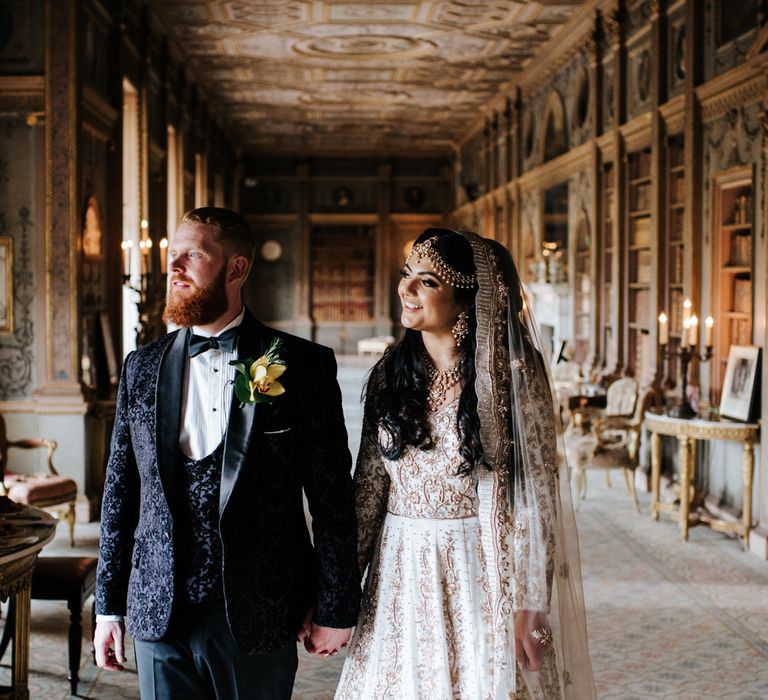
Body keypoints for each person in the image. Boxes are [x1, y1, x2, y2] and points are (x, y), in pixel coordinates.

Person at [94, 207, 360, 699]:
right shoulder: (141, 367)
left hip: (259, 611)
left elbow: (332, 499)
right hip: (158, 612)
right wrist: (107, 608)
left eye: (192, 256)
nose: (175, 268)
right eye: (173, 255)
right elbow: (119, 494)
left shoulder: (299, 365)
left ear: (236, 269)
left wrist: (335, 605)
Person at [336, 228, 595, 699]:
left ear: (468, 298)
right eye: (406, 275)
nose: (407, 289)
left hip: (480, 568)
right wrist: (338, 592)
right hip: (400, 571)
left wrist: (531, 602)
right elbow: (370, 489)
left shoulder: (514, 377)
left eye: (428, 281)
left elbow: (536, 492)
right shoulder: (389, 374)